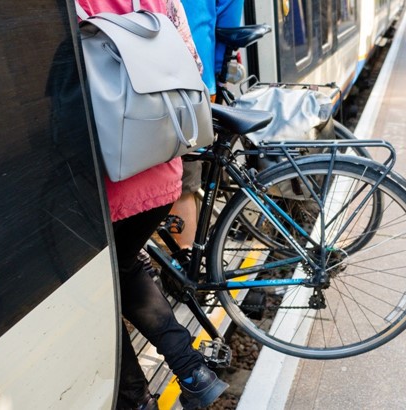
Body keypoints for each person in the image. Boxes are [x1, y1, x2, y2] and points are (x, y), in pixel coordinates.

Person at [75, 1, 228, 409]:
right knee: (124, 269)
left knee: (98, 292)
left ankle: (137, 400)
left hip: (109, 177)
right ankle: (194, 373)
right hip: (161, 172)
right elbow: (193, 63)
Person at [169, 0, 244, 250]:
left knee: (181, 183)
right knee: (186, 177)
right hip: (201, 82)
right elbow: (229, 21)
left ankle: (184, 270)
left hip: (170, 86)